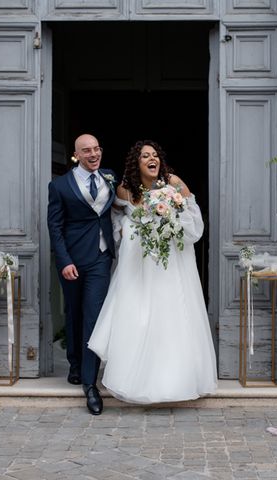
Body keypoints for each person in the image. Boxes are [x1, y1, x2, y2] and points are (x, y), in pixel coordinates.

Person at [88, 140, 218, 404]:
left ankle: (177, 379)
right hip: (140, 266)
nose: (152, 158)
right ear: (137, 162)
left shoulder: (173, 182)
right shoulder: (125, 189)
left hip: (172, 262)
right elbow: (114, 214)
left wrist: (173, 218)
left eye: (155, 154)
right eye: (146, 155)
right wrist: (125, 227)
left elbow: (194, 220)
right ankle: (135, 378)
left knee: (172, 314)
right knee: (139, 315)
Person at [47, 134, 116, 415]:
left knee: (92, 315)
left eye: (97, 148)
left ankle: (90, 384)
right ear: (76, 154)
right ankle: (75, 363)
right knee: (74, 313)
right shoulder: (60, 185)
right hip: (73, 260)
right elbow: (55, 226)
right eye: (87, 150)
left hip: (101, 257)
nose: (94, 154)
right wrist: (63, 261)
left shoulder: (110, 177)